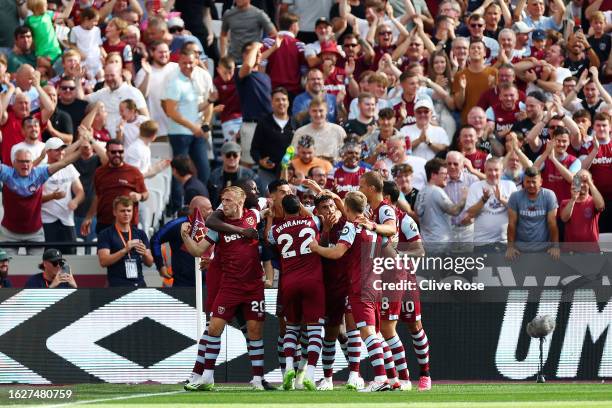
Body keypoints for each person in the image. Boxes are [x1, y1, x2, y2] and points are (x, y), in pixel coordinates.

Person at [181, 186, 266, 391]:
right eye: (223, 200)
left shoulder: (253, 215)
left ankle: (258, 380)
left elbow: (267, 208)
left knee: (255, 332)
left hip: (254, 285)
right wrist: (185, 236)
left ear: (239, 202)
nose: (223, 204)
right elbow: (198, 250)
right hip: (229, 286)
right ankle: (207, 377)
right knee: (214, 328)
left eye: (227, 200)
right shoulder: (217, 227)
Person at [309, 191, 392, 392]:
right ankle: (393, 377)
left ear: (345, 208)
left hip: (358, 284)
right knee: (374, 333)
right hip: (374, 284)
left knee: (367, 333)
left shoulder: (351, 226)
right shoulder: (371, 227)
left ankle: (381, 378)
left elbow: (337, 252)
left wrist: (315, 247)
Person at [269, 194, 325, 391]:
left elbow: (268, 238)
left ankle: (290, 367)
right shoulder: (313, 221)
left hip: (289, 281)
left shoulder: (275, 230)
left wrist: (271, 217)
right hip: (313, 281)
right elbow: (317, 218)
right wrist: (302, 208)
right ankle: (310, 373)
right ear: (300, 207)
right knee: (315, 329)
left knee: (291, 328)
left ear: (283, 210)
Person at [0, 139, 84, 254]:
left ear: (32, 162)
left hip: (35, 232)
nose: (25, 164)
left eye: (27, 161)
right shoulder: (6, 172)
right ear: (14, 163)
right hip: (9, 232)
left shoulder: (39, 173)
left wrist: (82, 149)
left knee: (38, 268)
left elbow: (64, 163)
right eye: (21, 161)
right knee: (7, 268)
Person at [80, 139, 148, 235]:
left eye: (120, 152)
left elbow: (145, 194)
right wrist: (89, 217)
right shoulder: (99, 172)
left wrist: (139, 196)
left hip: (128, 224)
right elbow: (97, 197)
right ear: (107, 152)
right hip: (105, 223)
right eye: (113, 152)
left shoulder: (134, 172)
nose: (117, 154)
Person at [151, 195, 213, 287]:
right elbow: (155, 240)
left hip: (208, 281)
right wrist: (160, 265)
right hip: (183, 283)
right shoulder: (177, 225)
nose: (212, 211)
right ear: (199, 210)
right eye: (209, 209)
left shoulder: (214, 225)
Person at [97, 195, 153, 287]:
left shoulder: (140, 233)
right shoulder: (105, 234)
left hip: (139, 284)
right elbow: (103, 261)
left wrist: (145, 254)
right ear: (114, 212)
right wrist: (125, 250)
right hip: (117, 285)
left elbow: (150, 263)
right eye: (122, 211)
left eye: (129, 210)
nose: (126, 213)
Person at [41, 137, 84, 254]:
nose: (61, 152)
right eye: (57, 150)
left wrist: (75, 201)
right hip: (47, 221)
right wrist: (52, 196)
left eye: (62, 149)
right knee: (49, 260)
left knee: (70, 258)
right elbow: (34, 199)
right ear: (48, 152)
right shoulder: (41, 169)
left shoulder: (69, 167)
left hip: (67, 220)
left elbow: (80, 191)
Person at [414, 158, 467, 252]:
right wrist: (464, 198)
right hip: (440, 245)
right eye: (444, 174)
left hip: (427, 244)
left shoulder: (421, 192)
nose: (447, 176)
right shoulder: (436, 191)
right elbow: (454, 211)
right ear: (433, 175)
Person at [506, 166, 560, 260]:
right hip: (520, 250)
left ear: (541, 182)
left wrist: (555, 247)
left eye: (534, 182)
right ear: (523, 182)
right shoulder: (515, 197)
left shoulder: (549, 195)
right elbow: (511, 224)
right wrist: (510, 247)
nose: (531, 185)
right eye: (528, 182)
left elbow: (552, 223)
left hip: (544, 249)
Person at [465, 157, 517, 251]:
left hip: (505, 242)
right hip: (482, 243)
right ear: (485, 170)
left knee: (506, 266)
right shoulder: (475, 187)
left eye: (496, 170)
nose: (493, 173)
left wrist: (501, 199)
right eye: (490, 170)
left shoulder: (510, 185)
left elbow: (517, 211)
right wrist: (484, 199)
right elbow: (470, 213)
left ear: (502, 171)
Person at [86, 64, 148, 139]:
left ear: (120, 75)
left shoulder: (133, 92)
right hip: (108, 143)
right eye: (106, 76)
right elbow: (82, 99)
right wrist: (77, 79)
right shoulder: (102, 93)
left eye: (112, 75)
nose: (109, 78)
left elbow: (145, 118)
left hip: (128, 143)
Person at [235, 41, 272, 166]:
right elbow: (247, 66)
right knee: (247, 164)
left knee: (267, 162)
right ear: (245, 55)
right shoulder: (240, 72)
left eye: (259, 53)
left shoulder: (265, 77)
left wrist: (274, 47)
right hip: (251, 125)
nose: (258, 54)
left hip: (267, 125)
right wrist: (256, 46)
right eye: (254, 52)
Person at [250, 86, 295, 188]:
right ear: (272, 103)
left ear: (288, 102)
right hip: (267, 173)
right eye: (277, 100)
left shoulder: (295, 123)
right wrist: (260, 161)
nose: (281, 102)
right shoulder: (263, 123)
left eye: (284, 99)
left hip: (290, 174)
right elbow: (254, 149)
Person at [134, 41, 177, 138]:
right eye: (160, 52)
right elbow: (140, 96)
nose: (164, 55)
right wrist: (148, 75)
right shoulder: (143, 72)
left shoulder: (176, 68)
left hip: (178, 128)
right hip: (157, 131)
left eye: (166, 52)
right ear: (152, 53)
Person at [560, 169, 605, 252]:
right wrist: (573, 199)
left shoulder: (593, 202)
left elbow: (601, 206)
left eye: (585, 181)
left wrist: (590, 183)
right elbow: (564, 218)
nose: (581, 184)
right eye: (579, 181)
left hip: (591, 250)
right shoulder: (565, 203)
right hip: (571, 251)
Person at [291, 97, 346, 162]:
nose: (318, 114)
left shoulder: (338, 131)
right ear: (309, 112)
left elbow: (345, 156)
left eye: (321, 111)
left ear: (327, 111)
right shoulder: (300, 132)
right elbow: (294, 157)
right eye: (314, 111)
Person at [208, 142, 259, 207]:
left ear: (240, 156)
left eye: (235, 155)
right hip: (219, 211)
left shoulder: (250, 176)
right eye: (228, 155)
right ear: (222, 156)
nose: (231, 158)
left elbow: (258, 197)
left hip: (243, 211)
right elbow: (210, 198)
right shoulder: (214, 175)